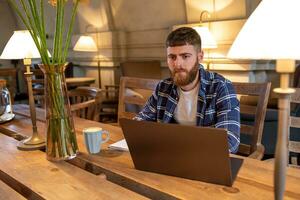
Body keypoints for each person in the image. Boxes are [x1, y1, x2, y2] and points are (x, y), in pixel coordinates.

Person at [135, 27, 240, 153]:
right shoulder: (163, 87)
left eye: (185, 56)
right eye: (172, 57)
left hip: (204, 160)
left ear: (200, 56)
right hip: (167, 155)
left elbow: (230, 142)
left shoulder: (220, 87)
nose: (177, 64)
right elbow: (139, 124)